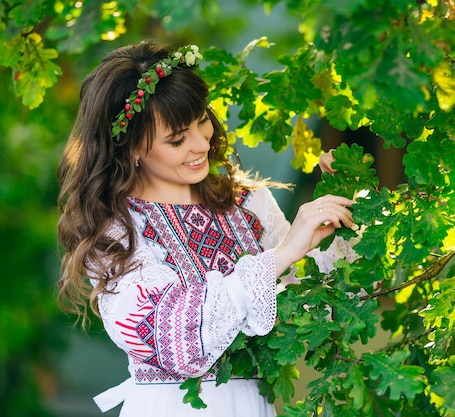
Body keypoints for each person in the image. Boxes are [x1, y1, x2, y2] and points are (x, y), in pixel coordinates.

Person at [56, 40, 355, 417]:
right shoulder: (115, 230)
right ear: (132, 147)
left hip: (253, 406)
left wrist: (341, 208)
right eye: (177, 139)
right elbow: (170, 339)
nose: (202, 143)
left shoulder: (250, 204)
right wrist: (280, 256)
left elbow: (321, 306)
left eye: (202, 121)